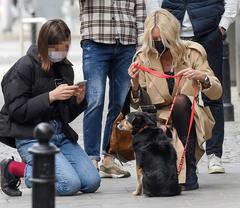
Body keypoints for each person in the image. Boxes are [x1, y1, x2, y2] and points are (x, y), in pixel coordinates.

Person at [0, 19, 101, 197]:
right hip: (31, 136)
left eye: (66, 48)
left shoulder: (65, 69)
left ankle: (56, 168)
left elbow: (66, 116)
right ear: (44, 45)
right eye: (57, 49)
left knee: (91, 182)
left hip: (60, 134)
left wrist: (78, 101)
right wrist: (50, 96)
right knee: (68, 184)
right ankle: (13, 168)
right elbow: (17, 111)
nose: (61, 53)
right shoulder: (24, 66)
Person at [128, 9, 222, 190]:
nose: (158, 44)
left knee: (180, 101)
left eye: (162, 40)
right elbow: (137, 104)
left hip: (188, 112)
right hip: (156, 114)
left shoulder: (192, 52)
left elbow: (216, 93)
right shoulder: (142, 57)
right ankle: (156, 173)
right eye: (154, 40)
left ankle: (190, 168)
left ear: (172, 36)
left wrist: (202, 77)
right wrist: (134, 84)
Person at [162, 0, 240, 174]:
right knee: (177, 96)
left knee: (213, 92)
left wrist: (222, 26)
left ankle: (214, 154)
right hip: (174, 36)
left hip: (209, 33)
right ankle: (186, 155)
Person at [79, 0, 146, 178]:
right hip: (95, 40)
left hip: (127, 43)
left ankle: (109, 159)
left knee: (119, 103)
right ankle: (91, 160)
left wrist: (141, 46)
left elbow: (140, 10)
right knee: (94, 100)